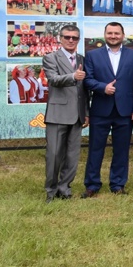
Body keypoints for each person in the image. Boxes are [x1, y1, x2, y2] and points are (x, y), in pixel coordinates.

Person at [82, 22, 133, 197]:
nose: (113, 36)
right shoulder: (93, 55)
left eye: (116, 33)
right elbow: (87, 80)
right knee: (95, 149)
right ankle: (92, 185)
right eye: (110, 33)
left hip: (124, 112)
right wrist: (103, 87)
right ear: (104, 34)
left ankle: (118, 184)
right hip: (100, 110)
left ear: (123, 35)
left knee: (121, 149)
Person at [41, 25, 89, 202]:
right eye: (67, 37)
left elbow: (84, 91)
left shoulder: (82, 58)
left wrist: (86, 112)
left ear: (78, 40)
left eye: (75, 38)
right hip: (57, 113)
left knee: (72, 156)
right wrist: (72, 77)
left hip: (77, 115)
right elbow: (53, 79)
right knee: (54, 155)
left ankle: (64, 188)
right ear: (60, 38)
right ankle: (51, 191)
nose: (71, 40)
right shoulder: (50, 57)